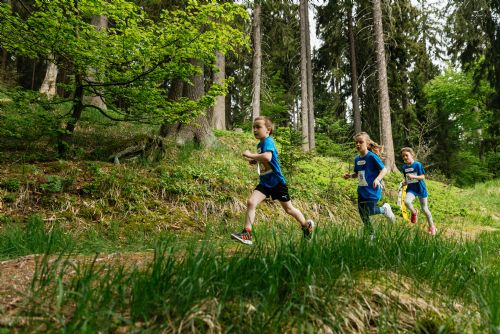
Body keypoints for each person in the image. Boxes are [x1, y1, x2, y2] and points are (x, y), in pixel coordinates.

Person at [231, 116, 315, 245]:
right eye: (253, 127)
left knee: (289, 209)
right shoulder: (260, 144)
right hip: (265, 183)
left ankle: (306, 225)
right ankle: (246, 234)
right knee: (251, 202)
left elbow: (268, 157)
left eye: (258, 127)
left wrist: (250, 155)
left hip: (277, 182)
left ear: (268, 130)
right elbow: (263, 158)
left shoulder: (268, 141)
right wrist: (254, 160)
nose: (255, 129)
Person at [343, 132, 395, 237]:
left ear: (367, 144)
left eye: (360, 142)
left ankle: (384, 209)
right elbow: (358, 173)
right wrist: (350, 176)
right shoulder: (357, 159)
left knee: (370, 210)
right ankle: (371, 234)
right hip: (362, 190)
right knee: (362, 213)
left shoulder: (372, 157)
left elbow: (384, 170)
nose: (358, 144)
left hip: (373, 189)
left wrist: (377, 179)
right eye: (356, 142)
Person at [400, 147, 437, 235]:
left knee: (425, 209)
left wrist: (414, 177)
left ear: (412, 155)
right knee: (407, 202)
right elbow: (407, 179)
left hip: (420, 189)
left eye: (406, 155)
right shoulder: (404, 167)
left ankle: (432, 227)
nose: (405, 157)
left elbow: (422, 177)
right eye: (403, 156)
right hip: (411, 189)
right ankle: (414, 212)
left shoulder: (417, 165)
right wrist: (404, 182)